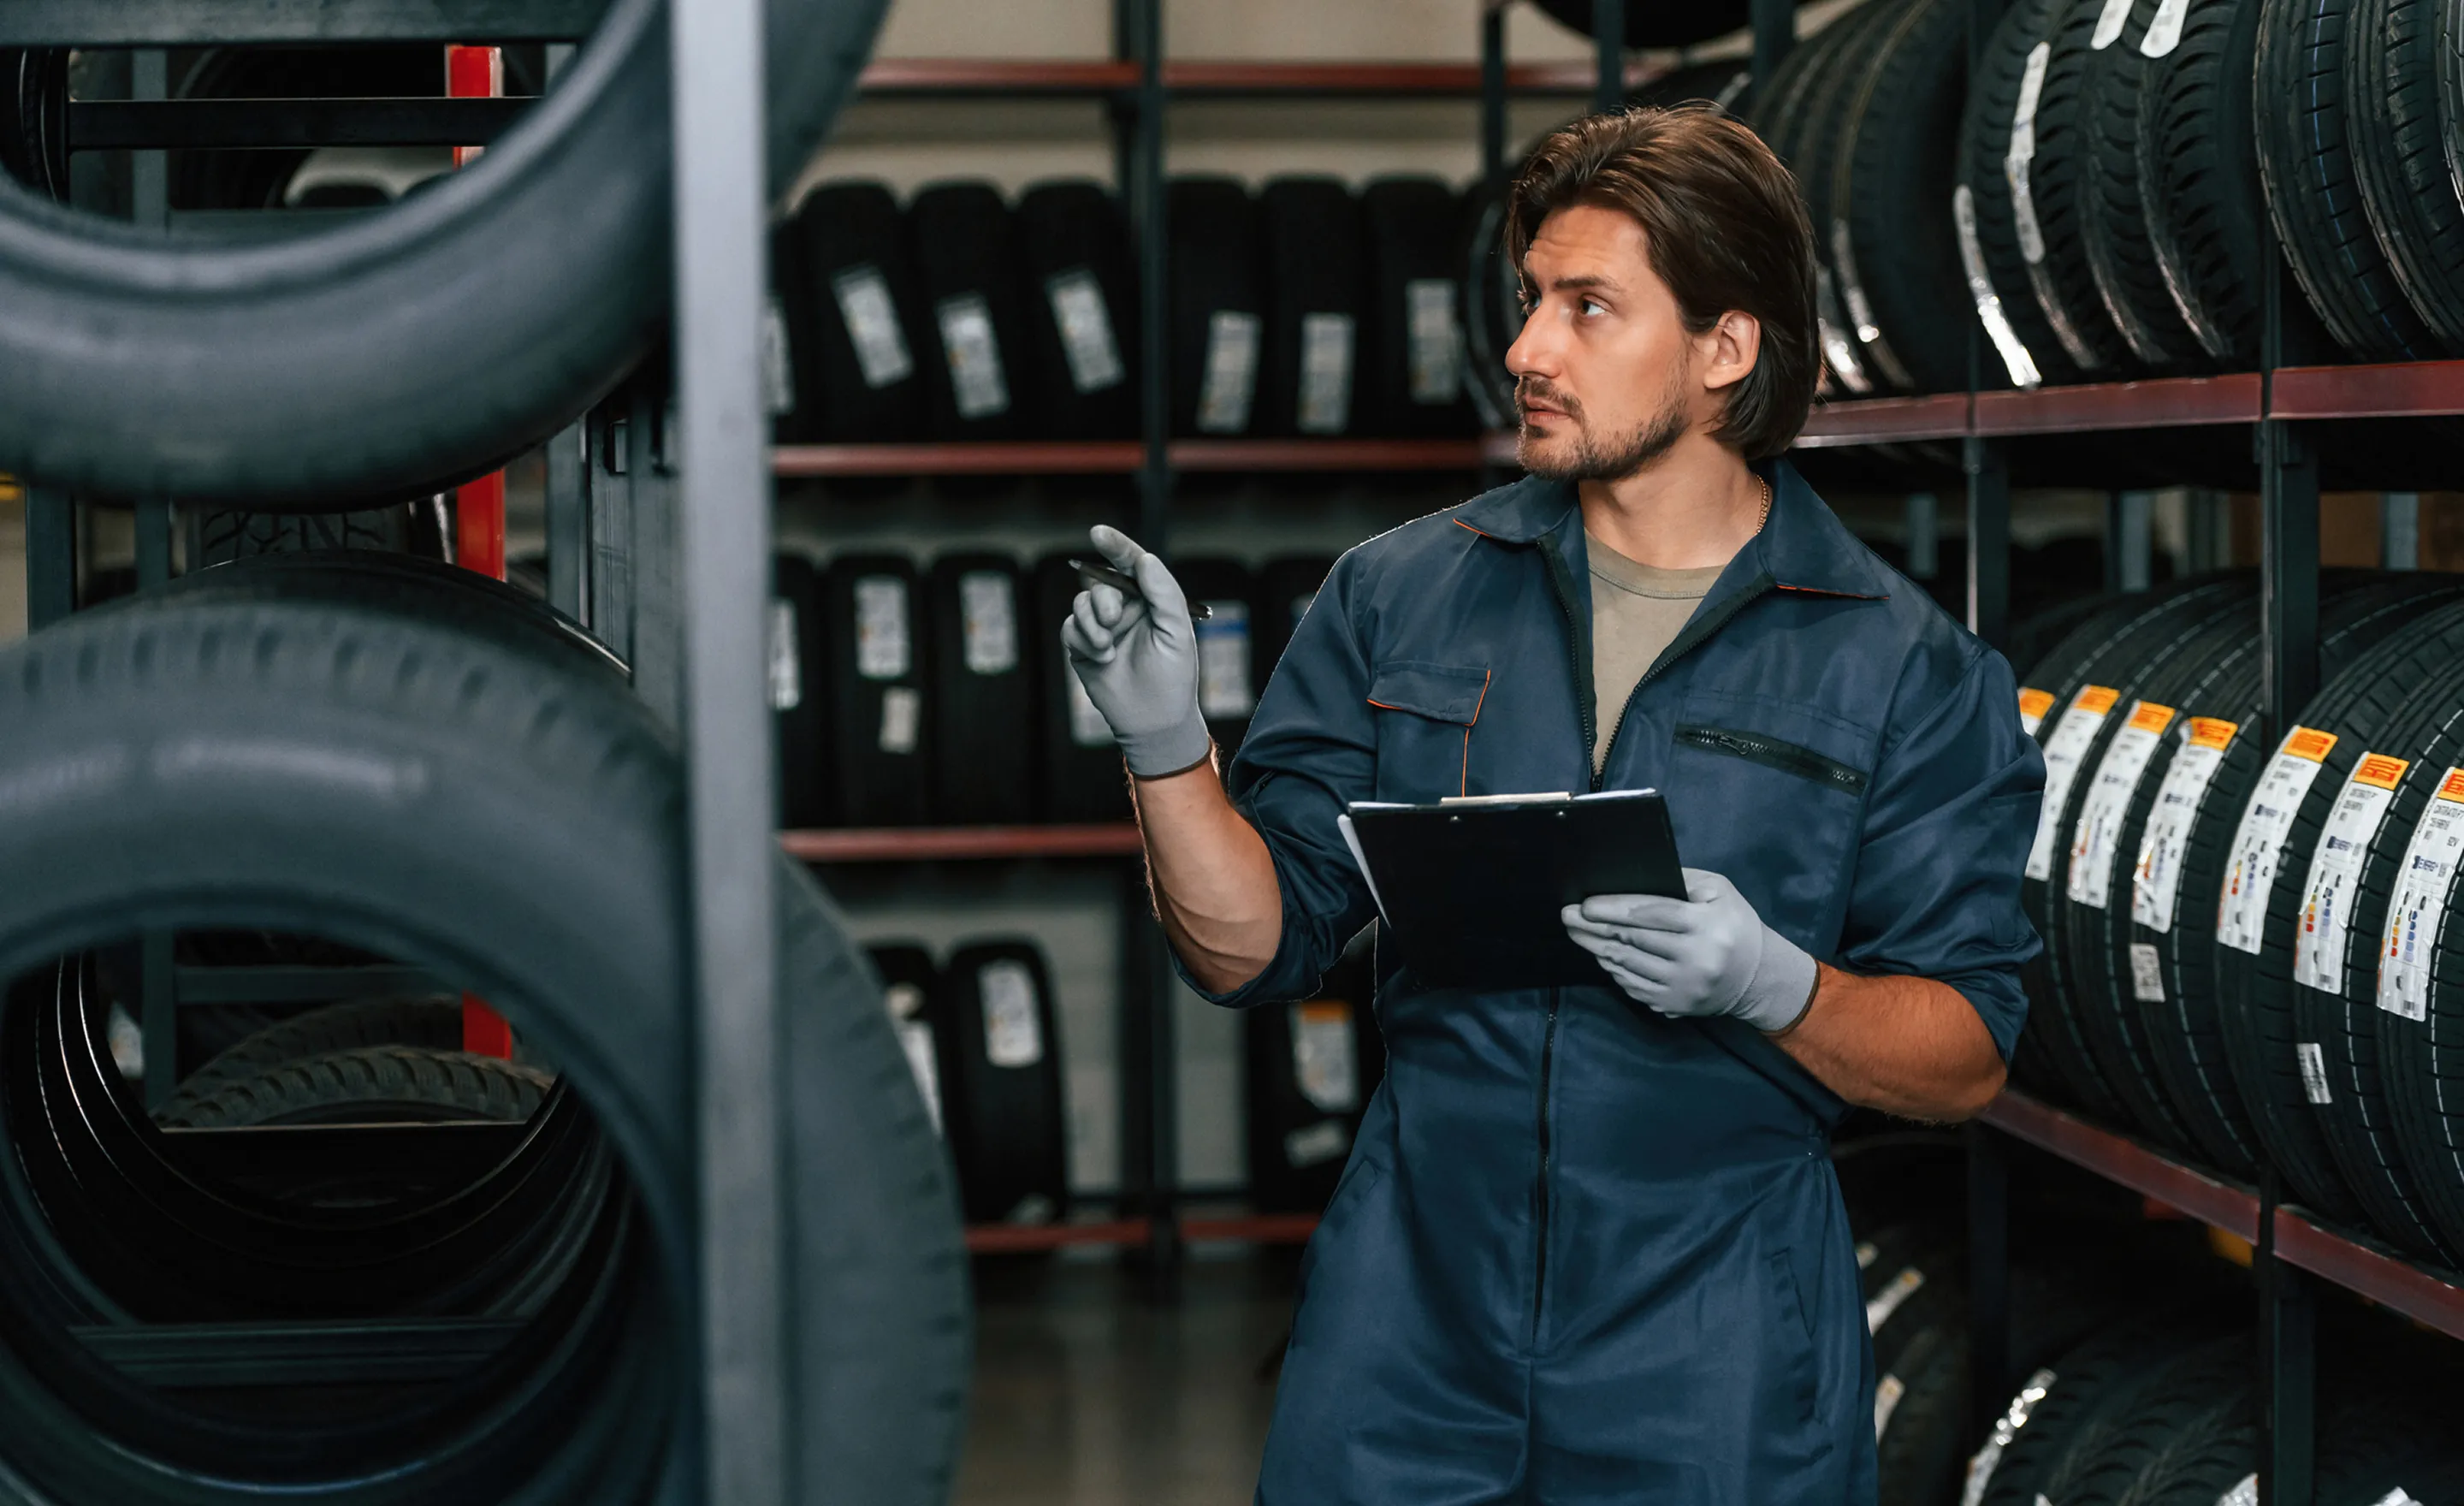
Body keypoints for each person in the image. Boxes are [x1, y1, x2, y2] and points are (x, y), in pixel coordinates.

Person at [1062, 104, 2043, 1504]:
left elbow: (1965, 1055)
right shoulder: (1398, 596)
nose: (1526, 350)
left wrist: (1777, 986)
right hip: (1409, 1322)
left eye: (1590, 309)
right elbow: (1245, 950)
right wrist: (1164, 746)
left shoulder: (1903, 669)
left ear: (1725, 348)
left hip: (1715, 1342)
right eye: (1533, 303)